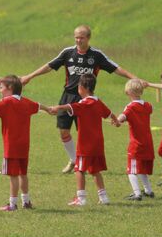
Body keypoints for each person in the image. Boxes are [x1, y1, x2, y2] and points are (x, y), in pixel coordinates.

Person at [21, 25, 140, 173]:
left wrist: (135, 78)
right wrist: (29, 76)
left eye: (81, 37)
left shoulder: (96, 55)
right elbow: (49, 66)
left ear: (88, 38)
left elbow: (116, 68)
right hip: (68, 96)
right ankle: (73, 160)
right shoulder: (68, 53)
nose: (78, 40)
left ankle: (88, 162)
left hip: (86, 99)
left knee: (85, 133)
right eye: (76, 37)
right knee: (63, 131)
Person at [0, 75, 51, 211]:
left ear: (10, 88)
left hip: (11, 146)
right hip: (24, 145)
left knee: (13, 175)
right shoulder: (25, 102)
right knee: (23, 173)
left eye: (2, 86)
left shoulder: (6, 103)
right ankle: (26, 201)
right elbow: (38, 105)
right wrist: (48, 109)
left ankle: (12, 204)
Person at [50, 74, 119, 206]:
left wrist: (57, 108)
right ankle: (103, 197)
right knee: (95, 170)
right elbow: (109, 114)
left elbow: (70, 107)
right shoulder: (98, 102)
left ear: (83, 87)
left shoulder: (84, 104)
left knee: (79, 169)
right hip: (98, 144)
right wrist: (116, 121)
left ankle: (81, 198)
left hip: (86, 144)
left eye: (79, 86)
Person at [116, 79, 155, 201]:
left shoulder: (130, 107)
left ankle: (137, 193)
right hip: (148, 143)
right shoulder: (147, 105)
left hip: (136, 144)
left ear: (129, 92)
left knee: (131, 170)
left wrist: (117, 120)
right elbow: (150, 109)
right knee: (142, 168)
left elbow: (123, 116)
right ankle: (148, 190)